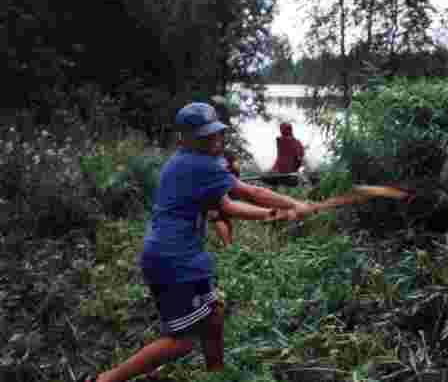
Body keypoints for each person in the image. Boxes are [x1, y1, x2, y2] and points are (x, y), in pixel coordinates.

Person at [81, 102, 313, 382]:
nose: (214, 140)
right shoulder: (198, 163)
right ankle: (107, 380)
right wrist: (297, 203)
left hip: (184, 258)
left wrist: (274, 213)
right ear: (185, 139)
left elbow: (227, 206)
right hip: (173, 261)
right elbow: (249, 192)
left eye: (215, 133)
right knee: (183, 341)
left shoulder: (190, 162)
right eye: (205, 137)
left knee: (214, 315)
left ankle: (217, 376)